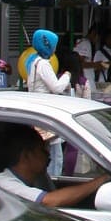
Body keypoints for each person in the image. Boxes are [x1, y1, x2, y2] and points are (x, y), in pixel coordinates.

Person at [0, 125, 111, 207]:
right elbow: (49, 201)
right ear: (27, 155)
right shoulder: (3, 183)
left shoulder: (37, 178)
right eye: (43, 150)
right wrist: (102, 179)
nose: (48, 154)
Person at [27, 29, 71, 176]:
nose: (55, 49)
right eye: (53, 45)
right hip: (46, 112)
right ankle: (53, 179)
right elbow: (57, 87)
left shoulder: (33, 62)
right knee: (56, 155)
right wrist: (67, 76)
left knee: (46, 150)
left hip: (38, 110)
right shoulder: (44, 64)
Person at [73, 26, 101, 92]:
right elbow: (81, 63)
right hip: (86, 77)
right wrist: (97, 64)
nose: (97, 40)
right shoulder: (86, 43)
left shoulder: (80, 41)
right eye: (97, 37)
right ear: (93, 34)